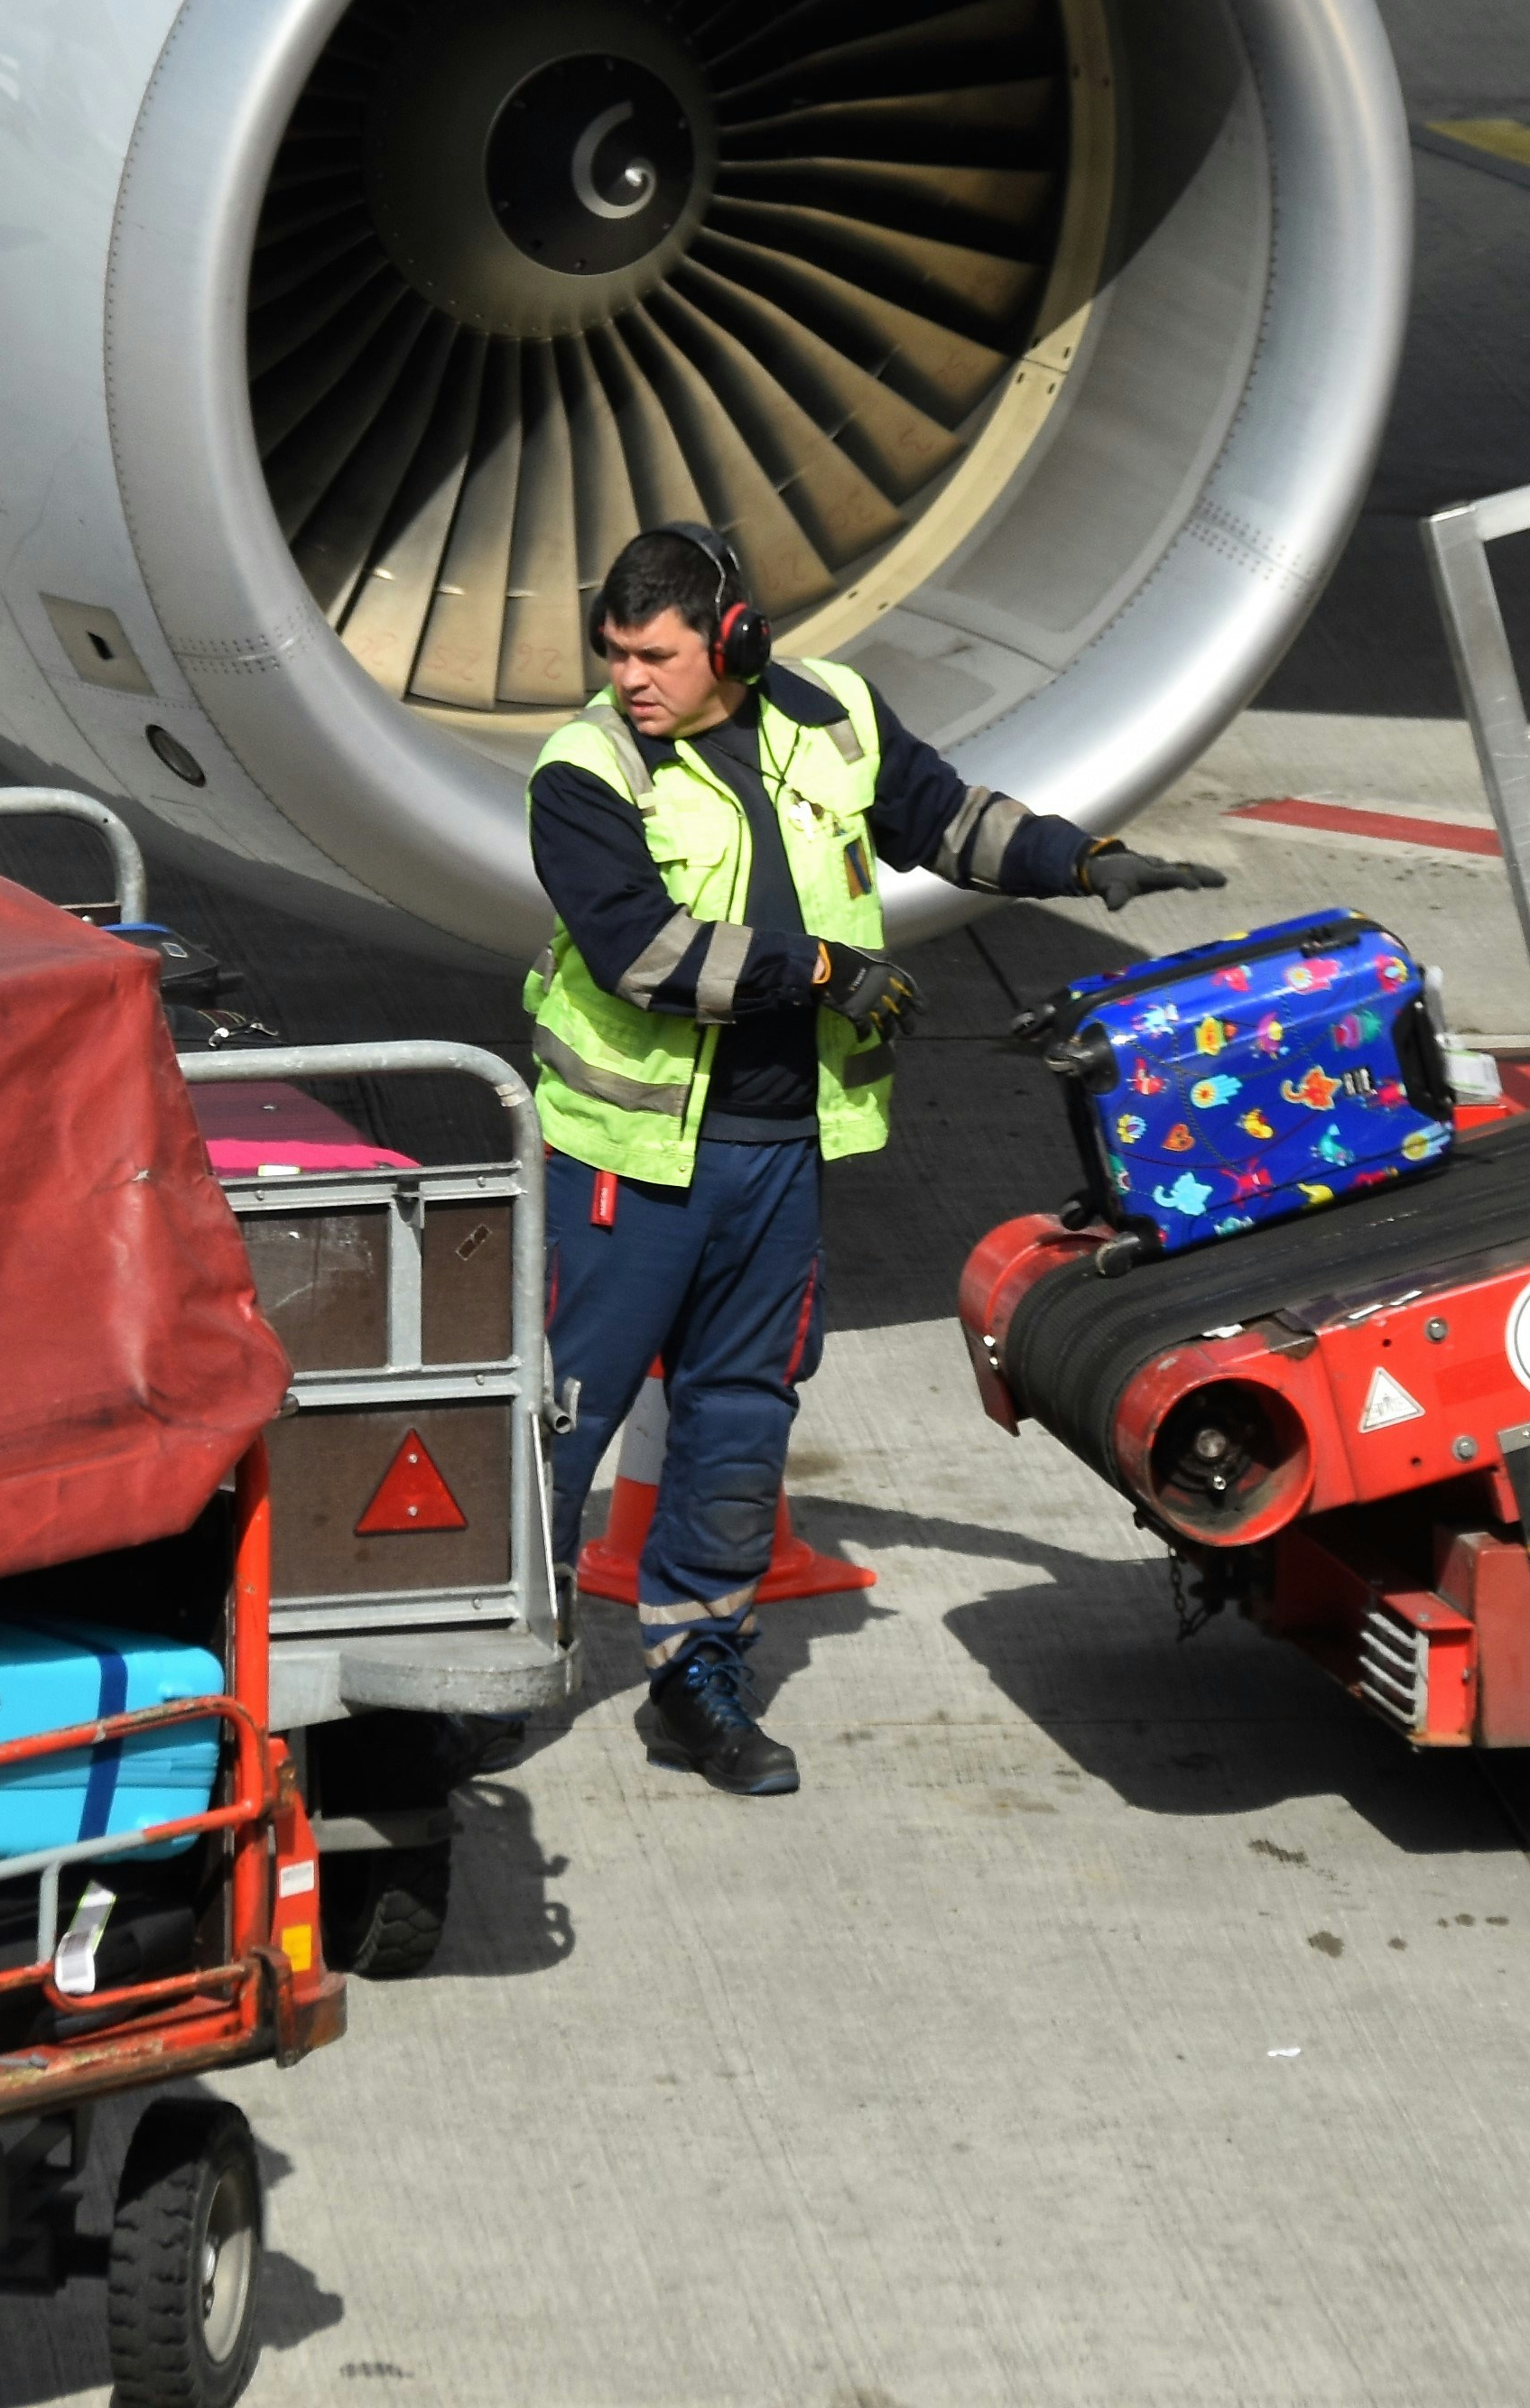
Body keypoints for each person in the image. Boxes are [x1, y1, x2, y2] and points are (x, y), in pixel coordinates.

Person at [524, 520, 1224, 1795]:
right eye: (615, 652)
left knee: (741, 1418)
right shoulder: (585, 772)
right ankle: (483, 1668)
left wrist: (1085, 858)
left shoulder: (833, 714)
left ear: (733, 640)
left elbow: (942, 817)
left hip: (777, 1150)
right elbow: (642, 951)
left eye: (656, 653)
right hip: (634, 1161)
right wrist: (828, 972)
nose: (628, 677)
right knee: (565, 1423)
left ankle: (697, 1673)